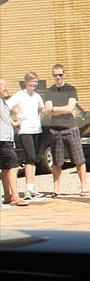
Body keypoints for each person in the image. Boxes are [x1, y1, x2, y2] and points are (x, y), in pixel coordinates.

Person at [44, 63, 90, 196]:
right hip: (55, 130)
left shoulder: (71, 89)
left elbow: (70, 108)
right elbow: (48, 110)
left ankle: (83, 187)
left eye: (60, 74)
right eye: (55, 75)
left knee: (79, 159)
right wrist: (60, 110)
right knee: (57, 161)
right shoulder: (49, 91)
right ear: (52, 75)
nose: (58, 77)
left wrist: (54, 109)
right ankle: (56, 189)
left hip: (71, 128)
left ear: (64, 74)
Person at [7, 72, 45, 197]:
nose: (34, 84)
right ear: (26, 82)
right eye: (32, 81)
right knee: (31, 157)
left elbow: (42, 109)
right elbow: (6, 106)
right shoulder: (19, 95)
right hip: (25, 130)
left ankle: (31, 187)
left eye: (35, 82)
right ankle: (28, 189)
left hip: (37, 130)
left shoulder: (37, 96)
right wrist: (15, 114)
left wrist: (39, 118)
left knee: (34, 159)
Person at [0, 78, 30, 207]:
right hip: (3, 139)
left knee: (6, 167)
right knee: (13, 166)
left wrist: (15, 123)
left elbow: (5, 120)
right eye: (4, 87)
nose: (7, 89)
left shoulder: (3, 102)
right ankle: (16, 197)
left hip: (6, 137)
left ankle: (8, 196)